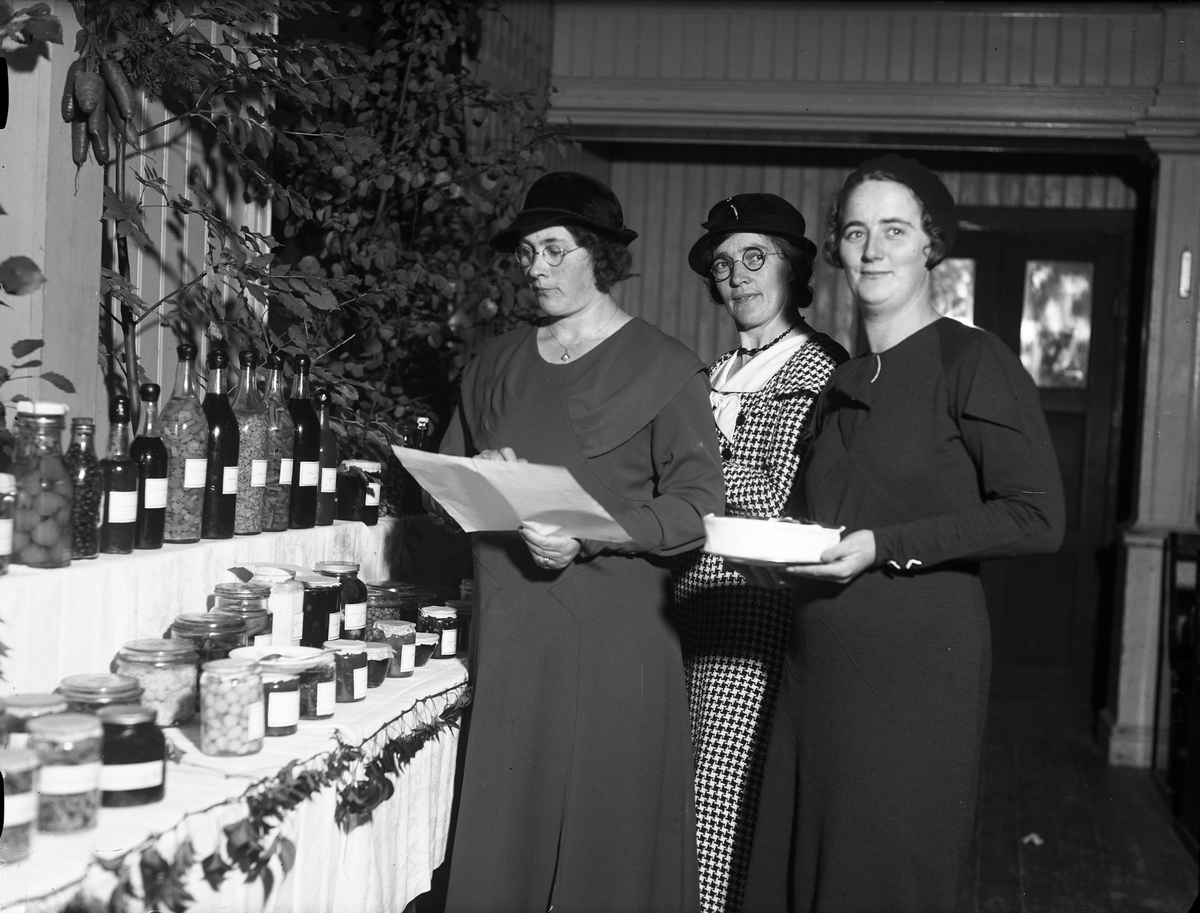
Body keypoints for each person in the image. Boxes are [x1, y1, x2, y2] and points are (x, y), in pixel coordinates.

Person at [741, 154, 1066, 913]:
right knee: (800, 871)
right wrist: (775, 552)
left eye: (894, 230)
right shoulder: (841, 381)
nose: (873, 250)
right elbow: (832, 517)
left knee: (881, 877)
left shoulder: (971, 360)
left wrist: (883, 546)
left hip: (915, 673)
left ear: (931, 244)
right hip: (817, 664)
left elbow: (1037, 515)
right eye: (856, 232)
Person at [438, 171, 724, 913]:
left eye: (555, 249)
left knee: (608, 846)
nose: (536, 267)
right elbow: (446, 490)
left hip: (616, 643)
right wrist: (485, 477)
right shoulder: (493, 363)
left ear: (599, 254)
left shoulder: (664, 366)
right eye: (527, 251)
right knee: (507, 838)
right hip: (514, 635)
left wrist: (590, 534)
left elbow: (698, 508)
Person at [673, 194, 847, 913]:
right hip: (684, 601)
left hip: (753, 610)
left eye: (754, 257)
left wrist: (690, 475)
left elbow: (779, 494)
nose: (737, 276)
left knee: (725, 799)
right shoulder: (714, 372)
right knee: (681, 793)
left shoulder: (819, 370)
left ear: (793, 269)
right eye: (723, 265)